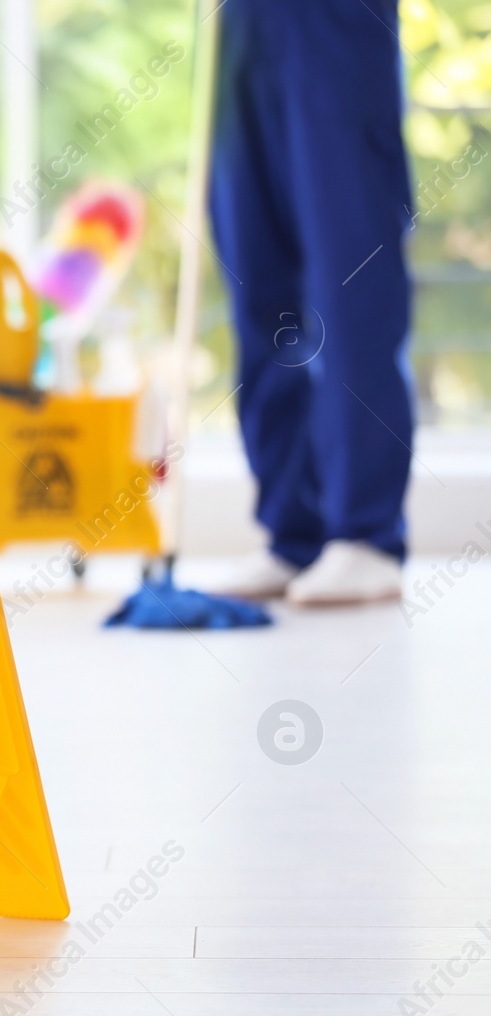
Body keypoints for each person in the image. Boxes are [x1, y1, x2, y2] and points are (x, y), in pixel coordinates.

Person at [205, 0, 414, 605]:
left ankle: (366, 535)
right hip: (241, 23)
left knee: (350, 276)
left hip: (333, 24)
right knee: (256, 277)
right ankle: (292, 530)